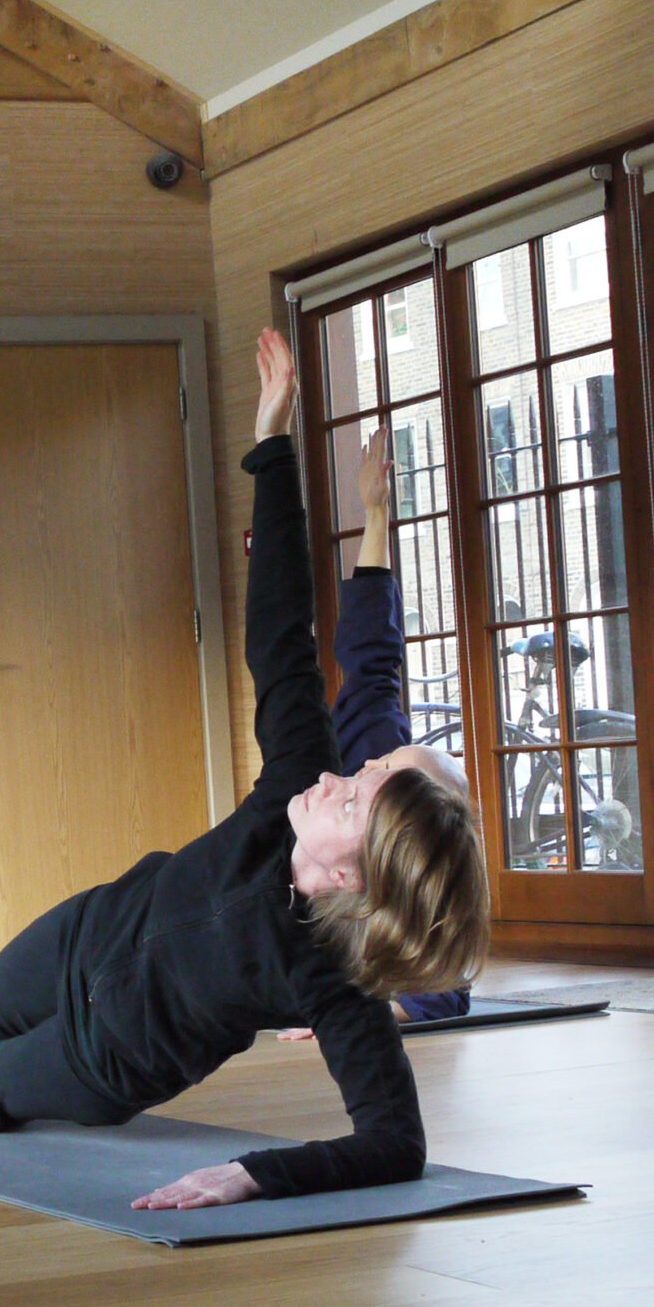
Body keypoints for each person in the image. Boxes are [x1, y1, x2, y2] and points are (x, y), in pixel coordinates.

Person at [0, 328, 491, 1212]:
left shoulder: (333, 974)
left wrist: (255, 1173)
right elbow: (281, 634)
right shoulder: (294, 783)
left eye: (350, 798)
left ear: (356, 875)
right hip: (91, 931)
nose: (332, 780)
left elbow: (395, 1141)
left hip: (111, 1058)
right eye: (351, 777)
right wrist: (272, 446)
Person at [283, 428, 471, 1032]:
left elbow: (440, 993)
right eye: (386, 762)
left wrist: (353, 1016)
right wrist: (374, 513)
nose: (369, 768)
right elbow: (372, 650)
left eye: (389, 773)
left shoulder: (413, 871)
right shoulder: (374, 746)